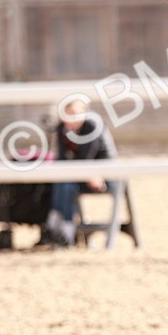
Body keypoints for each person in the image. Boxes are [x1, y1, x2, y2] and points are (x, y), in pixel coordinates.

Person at [39, 98, 116, 247]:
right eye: (67, 114)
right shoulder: (63, 128)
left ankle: (65, 230)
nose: (71, 118)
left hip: (103, 174)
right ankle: (57, 227)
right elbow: (61, 159)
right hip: (81, 173)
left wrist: (89, 172)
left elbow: (86, 157)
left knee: (66, 182)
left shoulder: (91, 125)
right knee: (62, 182)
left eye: (75, 113)